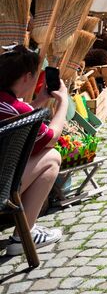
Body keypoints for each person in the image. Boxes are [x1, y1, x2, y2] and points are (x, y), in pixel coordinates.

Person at [0, 45, 67, 255]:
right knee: (52, 158)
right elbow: (51, 137)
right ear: (27, 76)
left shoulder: (11, 107)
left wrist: (39, 102)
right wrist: (63, 101)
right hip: (1, 188)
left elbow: (18, 116)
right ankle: (23, 236)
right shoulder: (18, 110)